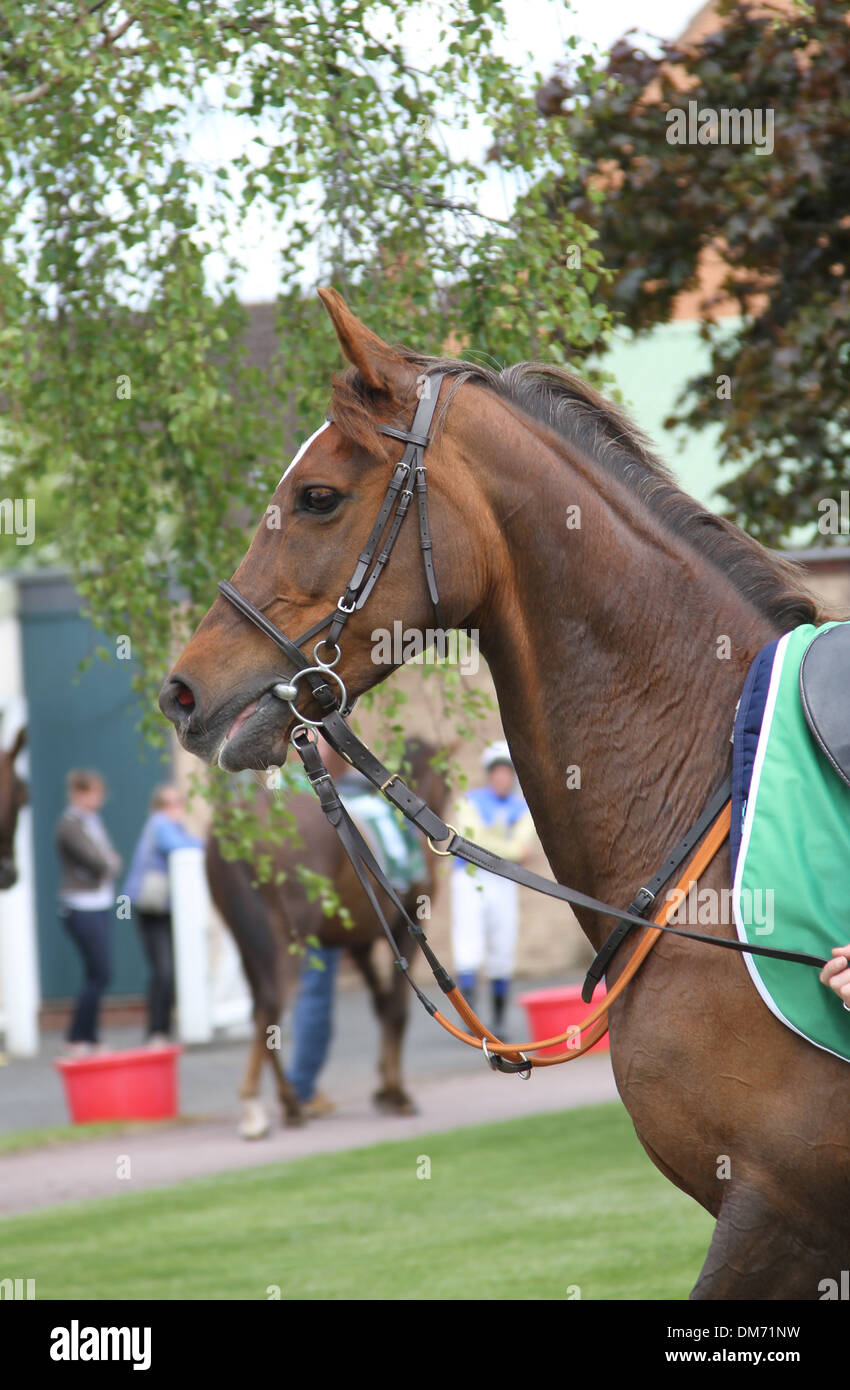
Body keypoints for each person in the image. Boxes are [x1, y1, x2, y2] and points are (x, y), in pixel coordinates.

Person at [450, 740, 536, 1031]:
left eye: (507, 773)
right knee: (469, 946)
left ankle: (498, 1022)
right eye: (497, 772)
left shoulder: (523, 807)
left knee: (503, 948)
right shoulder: (469, 800)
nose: (502, 778)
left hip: (503, 881)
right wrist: (507, 848)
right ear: (490, 774)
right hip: (470, 878)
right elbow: (470, 842)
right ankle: (470, 1020)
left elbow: (524, 846)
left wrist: (490, 846)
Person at [124, 784, 202, 1046]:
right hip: (152, 909)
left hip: (163, 908)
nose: (177, 809)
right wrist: (209, 845)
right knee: (164, 970)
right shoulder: (161, 824)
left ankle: (162, 1030)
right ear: (160, 807)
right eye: (171, 804)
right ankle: (156, 1031)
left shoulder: (169, 825)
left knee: (166, 969)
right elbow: (180, 847)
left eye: (179, 802)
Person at [55, 769, 122, 1056]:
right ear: (79, 794)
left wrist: (108, 862)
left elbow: (110, 859)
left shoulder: (92, 821)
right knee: (100, 972)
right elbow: (99, 861)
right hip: (80, 906)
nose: (99, 799)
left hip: (100, 902)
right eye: (93, 793)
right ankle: (77, 1036)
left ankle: (89, 1037)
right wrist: (107, 863)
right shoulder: (69, 825)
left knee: (98, 973)